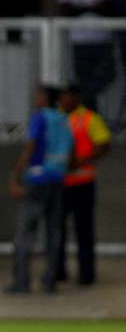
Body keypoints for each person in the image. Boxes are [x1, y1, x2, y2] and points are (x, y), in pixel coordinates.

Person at [4, 86, 73, 294]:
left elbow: (30, 147)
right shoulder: (63, 120)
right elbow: (70, 150)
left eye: (38, 94)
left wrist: (15, 177)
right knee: (53, 233)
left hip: (37, 178)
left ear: (45, 98)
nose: (35, 98)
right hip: (57, 180)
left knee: (25, 234)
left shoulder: (40, 117)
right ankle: (49, 282)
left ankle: (21, 281)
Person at [56, 84, 111, 286]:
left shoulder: (89, 118)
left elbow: (103, 144)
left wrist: (81, 160)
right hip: (59, 184)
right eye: (61, 96)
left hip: (83, 183)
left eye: (67, 95)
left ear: (76, 97)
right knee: (57, 230)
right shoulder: (56, 118)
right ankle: (57, 272)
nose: (63, 99)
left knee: (84, 231)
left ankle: (87, 275)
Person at [55, 0, 115, 110]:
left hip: (102, 40)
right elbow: (65, 10)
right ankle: (91, 118)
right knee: (83, 79)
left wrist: (78, 8)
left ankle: (86, 102)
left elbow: (106, 7)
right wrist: (92, 6)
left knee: (109, 75)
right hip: (79, 41)